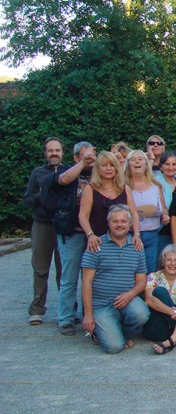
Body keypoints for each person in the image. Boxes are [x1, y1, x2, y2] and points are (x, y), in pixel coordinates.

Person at [80, 205, 150, 354]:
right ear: (109, 223)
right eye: (115, 221)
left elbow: (141, 281)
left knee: (141, 314)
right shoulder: (96, 245)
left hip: (127, 301)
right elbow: (86, 282)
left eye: (124, 221)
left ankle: (122, 331)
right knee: (114, 347)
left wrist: (130, 295)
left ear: (130, 224)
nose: (119, 225)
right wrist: (88, 315)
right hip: (101, 304)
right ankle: (100, 331)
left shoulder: (137, 246)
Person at [51, 141, 96, 335]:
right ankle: (66, 318)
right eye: (84, 156)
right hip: (72, 233)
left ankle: (90, 314)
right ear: (76, 157)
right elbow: (62, 180)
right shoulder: (69, 172)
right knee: (69, 278)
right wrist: (82, 163)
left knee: (93, 279)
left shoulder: (98, 174)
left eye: (91, 156)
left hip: (94, 235)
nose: (89, 160)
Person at [24, 136, 64, 325]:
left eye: (57, 150)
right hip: (42, 225)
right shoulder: (37, 173)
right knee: (40, 268)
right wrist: (44, 193)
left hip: (63, 226)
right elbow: (28, 199)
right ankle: (37, 310)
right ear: (45, 153)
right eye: (51, 150)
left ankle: (67, 311)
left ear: (62, 152)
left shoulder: (68, 172)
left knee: (64, 270)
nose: (54, 153)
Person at [79, 151, 142, 254]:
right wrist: (90, 235)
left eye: (112, 165)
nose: (108, 168)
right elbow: (83, 215)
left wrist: (136, 234)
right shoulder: (90, 189)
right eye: (104, 165)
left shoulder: (125, 188)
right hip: (97, 241)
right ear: (98, 168)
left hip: (122, 241)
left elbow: (134, 214)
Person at [125, 149, 169, 272]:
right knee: (130, 271)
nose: (137, 162)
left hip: (151, 236)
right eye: (133, 159)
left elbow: (164, 209)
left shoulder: (156, 185)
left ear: (146, 163)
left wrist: (165, 216)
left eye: (140, 159)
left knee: (150, 272)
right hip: (128, 236)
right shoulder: (122, 185)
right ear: (128, 164)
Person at [154, 152, 176, 256]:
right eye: (167, 164)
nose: (171, 167)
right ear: (161, 166)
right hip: (161, 230)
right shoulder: (154, 182)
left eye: (174, 164)